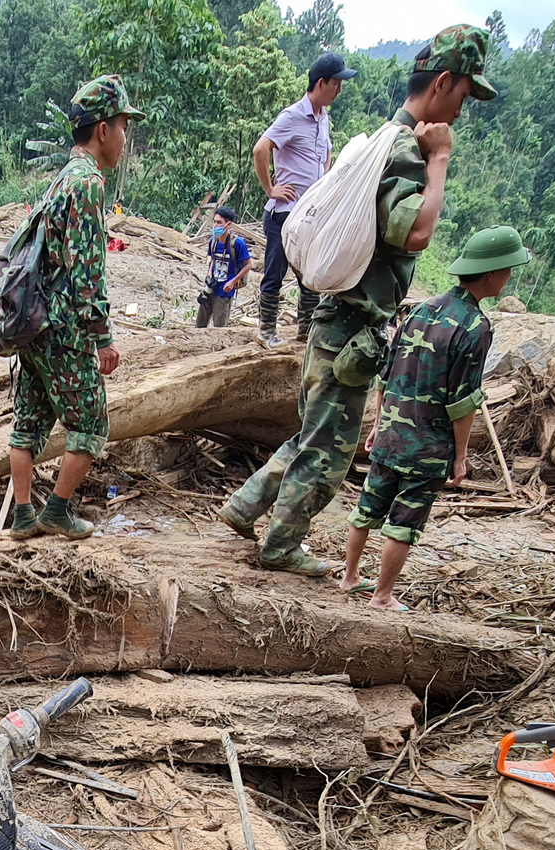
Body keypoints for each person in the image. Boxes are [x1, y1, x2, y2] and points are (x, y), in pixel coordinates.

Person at [219, 25, 489, 576]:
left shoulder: (372, 142)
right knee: (329, 451)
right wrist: (439, 163)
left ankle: (245, 506)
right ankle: (281, 546)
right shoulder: (408, 153)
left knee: (311, 433)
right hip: (353, 328)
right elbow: (414, 234)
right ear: (443, 83)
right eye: (463, 94)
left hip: (331, 319)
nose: (463, 108)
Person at [339, 225, 527, 611]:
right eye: (508, 269)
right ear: (491, 273)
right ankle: (382, 596)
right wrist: (459, 457)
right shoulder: (475, 327)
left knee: (368, 507)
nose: (509, 277)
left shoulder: (420, 309)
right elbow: (463, 402)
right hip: (428, 444)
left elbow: (386, 373)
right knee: (405, 521)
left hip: (391, 430)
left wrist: (377, 424)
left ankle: (350, 577)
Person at [5, 75, 141, 542]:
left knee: (30, 419)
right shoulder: (87, 185)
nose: (125, 137)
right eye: (123, 125)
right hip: (65, 329)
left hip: (35, 325)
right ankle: (57, 511)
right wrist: (102, 336)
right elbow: (87, 273)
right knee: (91, 424)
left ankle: (23, 515)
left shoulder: (60, 180)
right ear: (103, 130)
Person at [252, 51, 357, 345]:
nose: (339, 89)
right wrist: (271, 188)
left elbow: (326, 158)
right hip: (284, 213)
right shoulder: (292, 116)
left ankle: (305, 331)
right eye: (337, 83)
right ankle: (266, 331)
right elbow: (261, 149)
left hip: (310, 215)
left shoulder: (323, 120)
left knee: (309, 275)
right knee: (276, 270)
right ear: (321, 83)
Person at [197, 206, 251, 327]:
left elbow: (248, 265)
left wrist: (233, 281)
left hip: (224, 292)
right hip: (211, 287)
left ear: (228, 224)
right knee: (199, 324)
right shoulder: (213, 241)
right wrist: (209, 273)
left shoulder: (237, 243)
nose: (215, 225)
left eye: (219, 222)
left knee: (219, 328)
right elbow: (213, 260)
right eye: (214, 222)